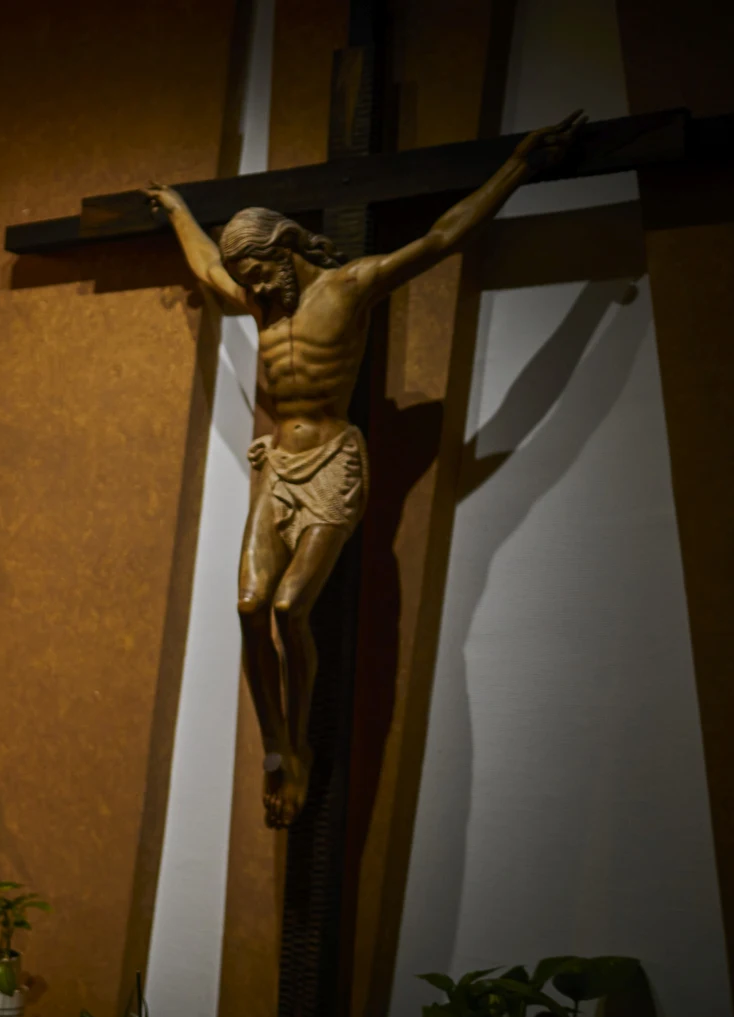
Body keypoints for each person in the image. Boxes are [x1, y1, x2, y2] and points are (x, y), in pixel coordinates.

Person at [146, 110, 583, 826]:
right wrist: (177, 208)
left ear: (285, 251)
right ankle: (280, 747)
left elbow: (443, 238)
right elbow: (202, 266)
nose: (255, 289)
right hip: (279, 466)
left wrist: (520, 166)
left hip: (332, 466)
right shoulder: (262, 304)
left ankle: (305, 746)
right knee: (250, 605)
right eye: (248, 279)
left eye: (260, 272)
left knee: (291, 606)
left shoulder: (347, 290)